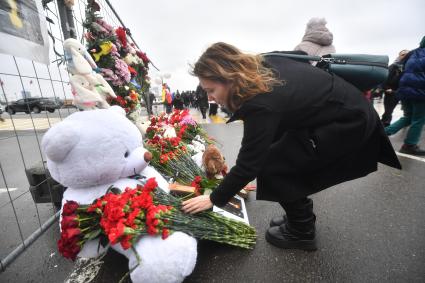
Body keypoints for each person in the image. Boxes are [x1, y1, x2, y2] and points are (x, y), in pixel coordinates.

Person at [182, 42, 401, 251]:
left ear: (229, 78)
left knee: (271, 166)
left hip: (348, 123)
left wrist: (213, 198)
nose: (210, 98)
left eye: (211, 90)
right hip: (341, 110)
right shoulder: (264, 62)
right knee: (278, 153)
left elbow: (249, 165)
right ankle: (300, 213)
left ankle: (301, 230)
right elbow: (303, 59)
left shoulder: (260, 101)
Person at [385, 36, 425, 156]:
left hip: (405, 90)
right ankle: (409, 145)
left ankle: (381, 133)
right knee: (418, 119)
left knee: (408, 117)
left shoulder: (413, 53)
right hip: (420, 91)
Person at [381, 50, 410, 126]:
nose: (405, 56)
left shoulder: (411, 66)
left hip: (405, 91)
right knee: (388, 111)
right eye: (403, 54)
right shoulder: (393, 66)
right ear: (399, 56)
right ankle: (384, 125)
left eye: (407, 54)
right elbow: (385, 79)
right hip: (392, 91)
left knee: (407, 111)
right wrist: (387, 89)